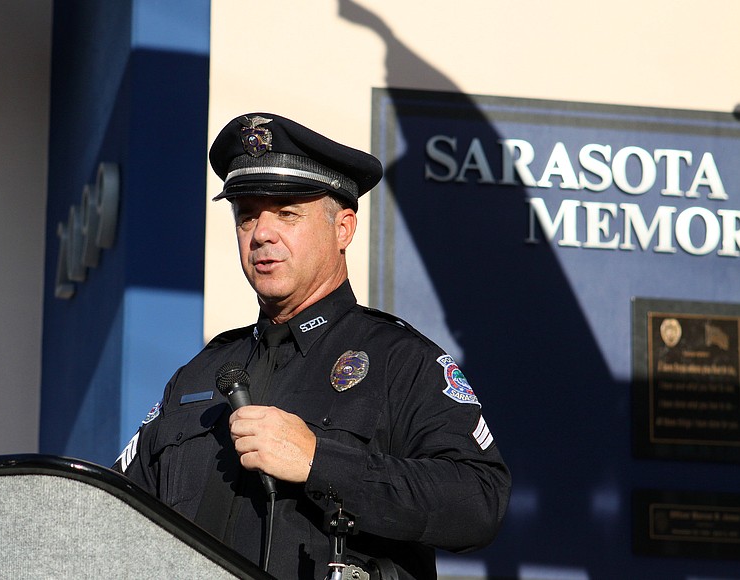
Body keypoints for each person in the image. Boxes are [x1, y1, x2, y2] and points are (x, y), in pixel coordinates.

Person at [114, 112, 511, 579]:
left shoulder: (400, 361)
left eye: (286, 213)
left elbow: (480, 500)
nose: (261, 233)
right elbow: (112, 517)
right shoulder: (200, 374)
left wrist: (320, 461)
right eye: (247, 217)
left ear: (343, 229)